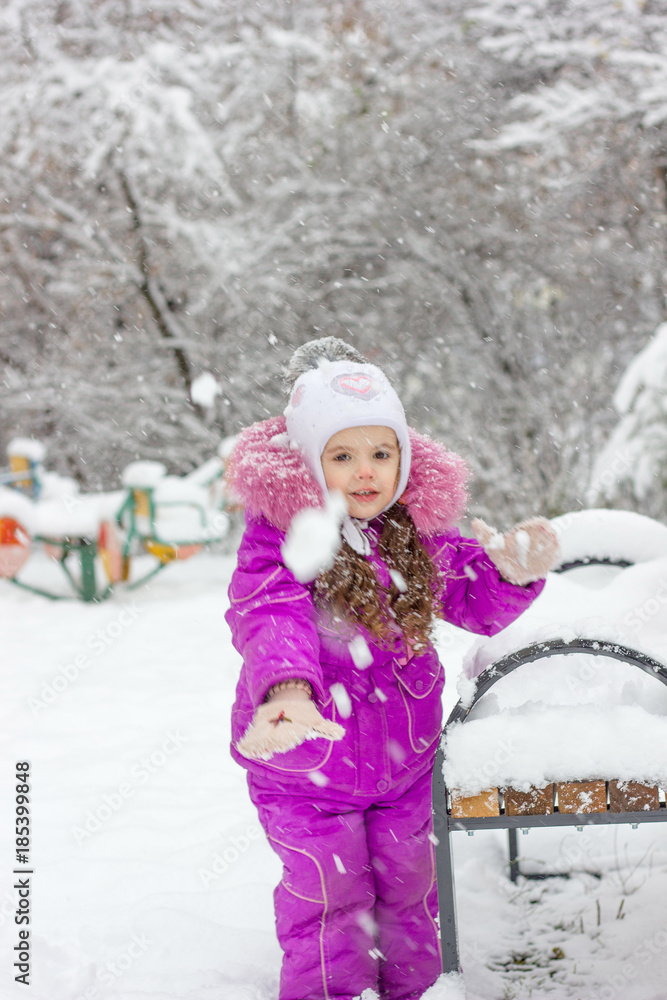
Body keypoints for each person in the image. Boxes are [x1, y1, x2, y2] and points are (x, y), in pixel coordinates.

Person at [224, 337, 559, 1000]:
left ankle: (417, 990)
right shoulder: (284, 536)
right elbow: (268, 611)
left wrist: (511, 570)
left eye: (381, 452)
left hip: (402, 766)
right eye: (342, 455)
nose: (365, 471)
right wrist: (287, 688)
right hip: (305, 766)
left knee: (410, 891)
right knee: (328, 900)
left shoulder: (416, 532)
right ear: (310, 463)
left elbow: (472, 599)